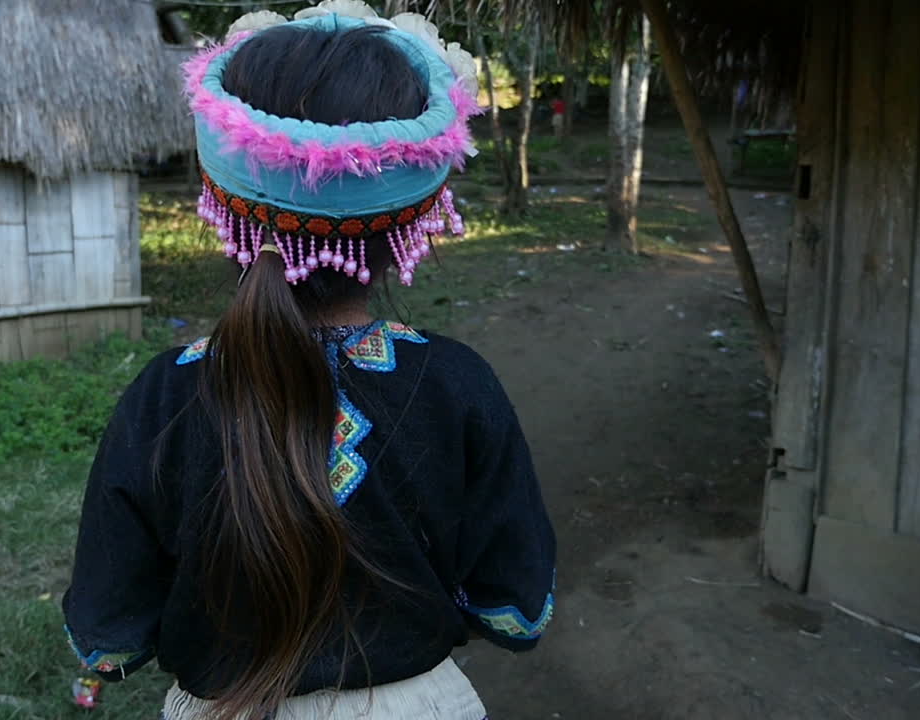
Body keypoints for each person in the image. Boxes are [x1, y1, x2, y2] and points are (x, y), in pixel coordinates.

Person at [62, 5, 556, 719]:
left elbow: (111, 619)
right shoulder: (457, 384)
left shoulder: (163, 398)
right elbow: (515, 600)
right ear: (417, 219)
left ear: (219, 204)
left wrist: (108, 652)